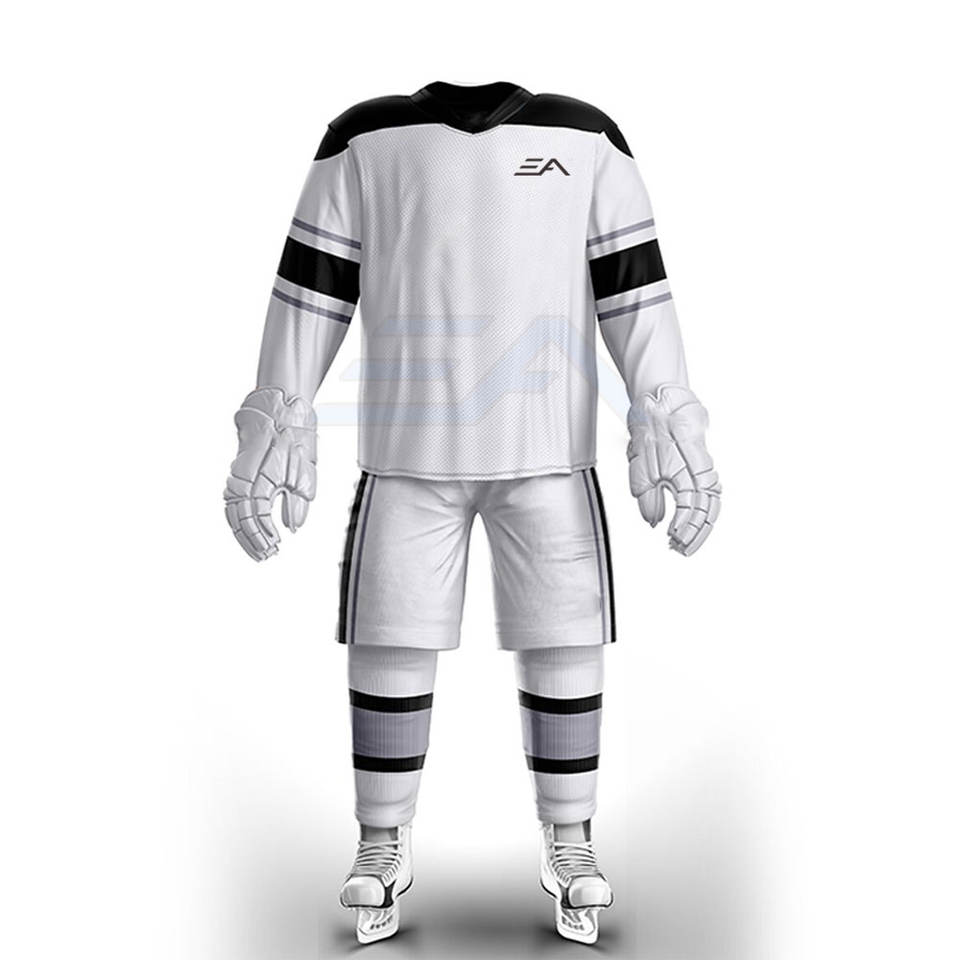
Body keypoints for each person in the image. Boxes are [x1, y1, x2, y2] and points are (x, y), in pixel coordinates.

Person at [224, 81, 721, 944]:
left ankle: (571, 838)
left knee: (565, 635)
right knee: (390, 634)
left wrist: (665, 407)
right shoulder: (364, 138)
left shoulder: (586, 137)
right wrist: (279, 406)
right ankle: (382, 843)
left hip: (549, 449)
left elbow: (635, 286)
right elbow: (311, 285)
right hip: (407, 452)